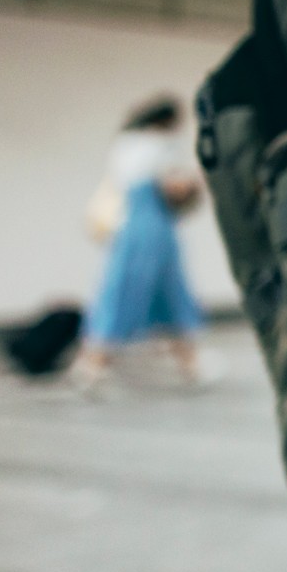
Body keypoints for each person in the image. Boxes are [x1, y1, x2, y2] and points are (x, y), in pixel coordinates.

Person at [72, 94, 207, 392]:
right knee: (163, 291)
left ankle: (94, 365)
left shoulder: (125, 143)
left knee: (131, 289)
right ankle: (96, 364)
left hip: (131, 224)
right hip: (152, 225)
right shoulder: (159, 146)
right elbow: (174, 187)